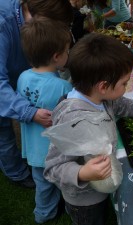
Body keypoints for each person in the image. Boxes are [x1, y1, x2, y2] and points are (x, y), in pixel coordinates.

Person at [43, 33, 133, 225]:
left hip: (103, 183)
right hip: (84, 199)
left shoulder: (103, 98)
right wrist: (83, 173)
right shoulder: (72, 118)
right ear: (103, 86)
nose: (126, 87)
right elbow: (53, 168)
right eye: (124, 83)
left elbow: (122, 105)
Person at [0, 0, 73, 188]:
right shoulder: (3, 23)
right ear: (43, 20)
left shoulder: (28, 21)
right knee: (3, 131)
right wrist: (28, 112)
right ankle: (17, 173)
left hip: (13, 77)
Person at [17, 17, 73, 224]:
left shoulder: (23, 77)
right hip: (54, 152)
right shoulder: (63, 88)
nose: (69, 54)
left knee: (42, 183)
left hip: (32, 148)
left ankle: (43, 214)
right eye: (67, 51)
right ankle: (69, 209)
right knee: (63, 181)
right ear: (57, 57)